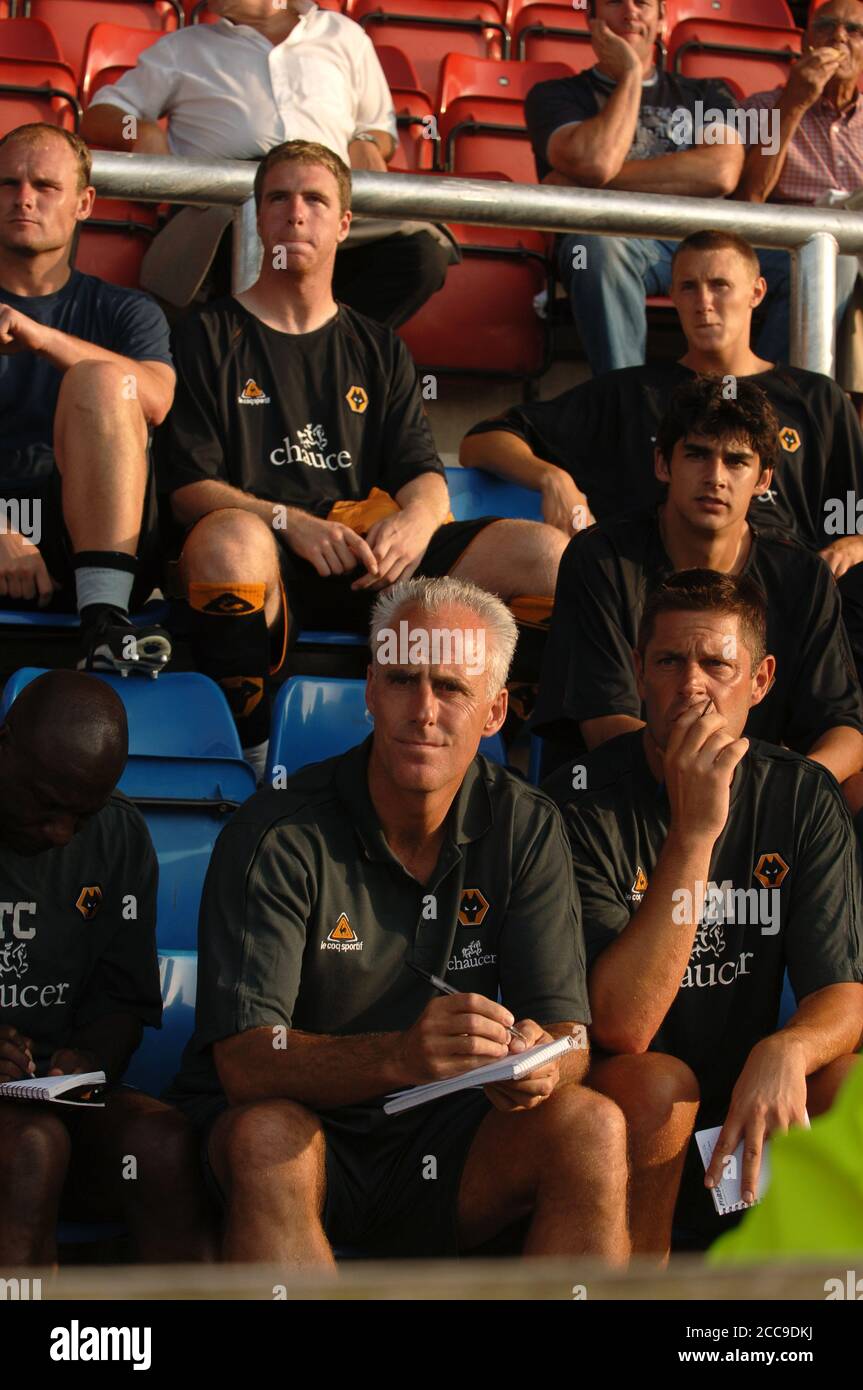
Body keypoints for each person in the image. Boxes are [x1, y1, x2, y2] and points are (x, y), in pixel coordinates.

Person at [165, 576, 629, 1264]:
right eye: (404, 680)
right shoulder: (278, 830)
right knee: (265, 1139)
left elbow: (570, 1037)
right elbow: (245, 1066)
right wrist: (401, 1057)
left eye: (451, 688)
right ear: (370, 689)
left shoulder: (525, 823)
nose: (423, 710)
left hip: (447, 1137)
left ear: (496, 710)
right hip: (301, 1128)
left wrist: (541, 1066)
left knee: (592, 1126)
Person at [156, 140, 566, 772]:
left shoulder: (378, 347)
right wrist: (288, 522)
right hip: (270, 562)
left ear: (344, 224)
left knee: (547, 557)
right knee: (228, 544)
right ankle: (255, 761)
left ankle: (517, 760)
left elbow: (422, 472)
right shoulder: (205, 334)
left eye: (315, 200)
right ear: (258, 218)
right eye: (279, 199)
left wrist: (419, 520)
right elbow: (187, 486)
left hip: (373, 558)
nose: (296, 213)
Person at [544, 571, 863, 1257]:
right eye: (668, 661)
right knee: (660, 1084)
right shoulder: (576, 805)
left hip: (752, 1094)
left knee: (848, 1082)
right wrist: (693, 833)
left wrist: (786, 1048)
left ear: (759, 680)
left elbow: (841, 994)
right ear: (637, 671)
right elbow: (622, 1027)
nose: (692, 686)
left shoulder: (801, 794)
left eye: (716, 663)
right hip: (626, 1105)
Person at [534, 376, 863, 801]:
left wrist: (786, 794)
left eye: (737, 461)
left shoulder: (803, 575)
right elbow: (605, 723)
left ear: (764, 479)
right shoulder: (601, 558)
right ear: (662, 464)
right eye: (697, 454)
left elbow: (845, 729)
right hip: (624, 801)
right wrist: (718, 784)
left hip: (761, 803)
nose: (715, 477)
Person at [0, 671, 214, 1265]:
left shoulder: (118, 835)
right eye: (46, 806)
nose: (62, 832)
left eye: (81, 816)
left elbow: (123, 1001)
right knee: (31, 1149)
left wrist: (89, 1061)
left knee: (163, 1143)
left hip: (52, 1102)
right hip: (24, 1136)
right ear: (6, 742)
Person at [80, 0, 451, 327]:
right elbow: (99, 115)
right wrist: (139, 129)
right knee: (247, 229)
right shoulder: (183, 48)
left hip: (326, 204)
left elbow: (377, 127)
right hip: (222, 209)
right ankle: (260, 358)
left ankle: (329, 350)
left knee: (420, 255)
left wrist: (370, 142)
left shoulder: (344, 36)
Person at [524, 0, 788, 373]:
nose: (631, 12)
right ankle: (627, 404)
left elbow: (720, 173)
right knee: (594, 248)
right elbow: (596, 160)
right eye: (616, 2)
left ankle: (764, 399)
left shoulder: (706, 93)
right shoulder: (555, 95)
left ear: (662, 19)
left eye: (644, 3)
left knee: (804, 263)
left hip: (704, 242)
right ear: (592, 20)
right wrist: (631, 74)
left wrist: (587, 182)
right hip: (613, 242)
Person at [0, 123, 174, 675]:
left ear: (84, 203)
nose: (23, 197)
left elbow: (155, 400)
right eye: (7, 183)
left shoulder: (127, 311)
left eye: (44, 186)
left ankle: (105, 625)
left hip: (92, 534)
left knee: (103, 379)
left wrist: (42, 338)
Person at [737, 0, 863, 398]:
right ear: (806, 40)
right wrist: (793, 102)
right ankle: (777, 401)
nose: (838, 37)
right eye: (826, 27)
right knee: (832, 256)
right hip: (788, 249)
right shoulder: (759, 108)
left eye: (854, 30)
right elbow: (749, 198)